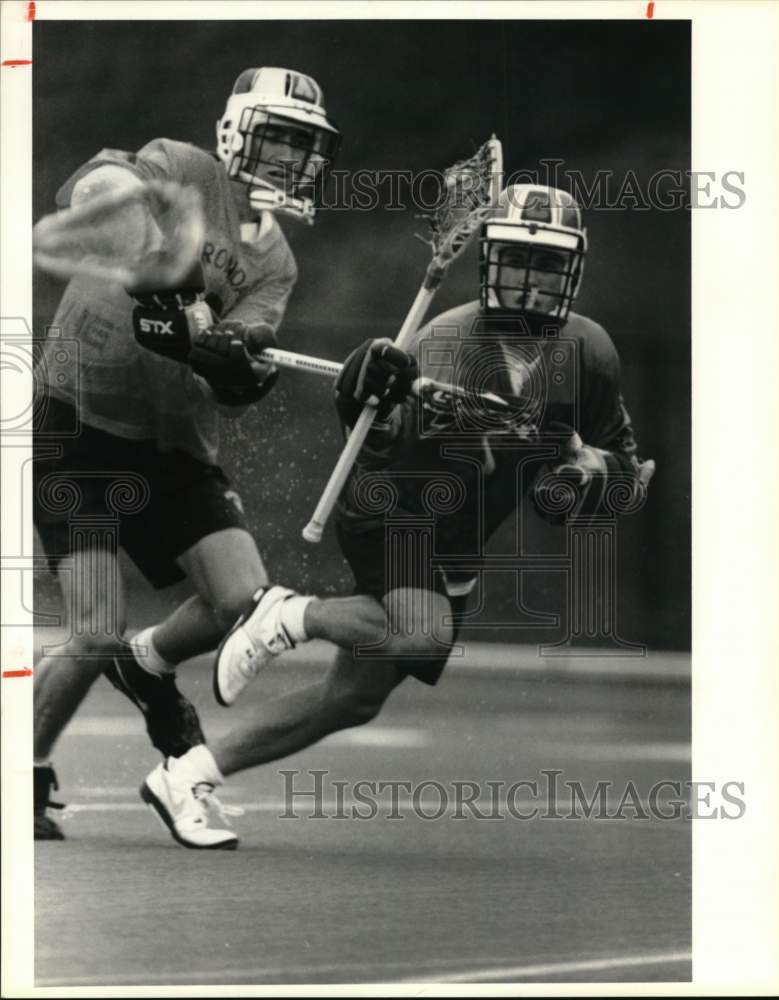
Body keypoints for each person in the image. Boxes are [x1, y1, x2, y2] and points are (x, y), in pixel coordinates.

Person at [140, 184, 656, 849]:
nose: (530, 282)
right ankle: (290, 614)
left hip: (459, 537)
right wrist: (365, 403)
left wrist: (593, 475)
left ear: (573, 270)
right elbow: (383, 446)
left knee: (353, 698)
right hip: (398, 505)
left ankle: (186, 777)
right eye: (516, 260)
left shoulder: (590, 351)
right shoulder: (445, 342)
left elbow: (612, 464)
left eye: (547, 265)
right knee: (420, 636)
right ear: (489, 260)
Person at [33, 67, 341, 843]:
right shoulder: (182, 167)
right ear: (237, 131)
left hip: (174, 442)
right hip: (80, 428)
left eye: (305, 149)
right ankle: (24, 767)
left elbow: (241, 374)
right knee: (92, 630)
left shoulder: (276, 261)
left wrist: (229, 363)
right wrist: (141, 240)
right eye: (278, 140)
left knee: (243, 601)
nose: (291, 161)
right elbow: (98, 183)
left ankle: (148, 663)